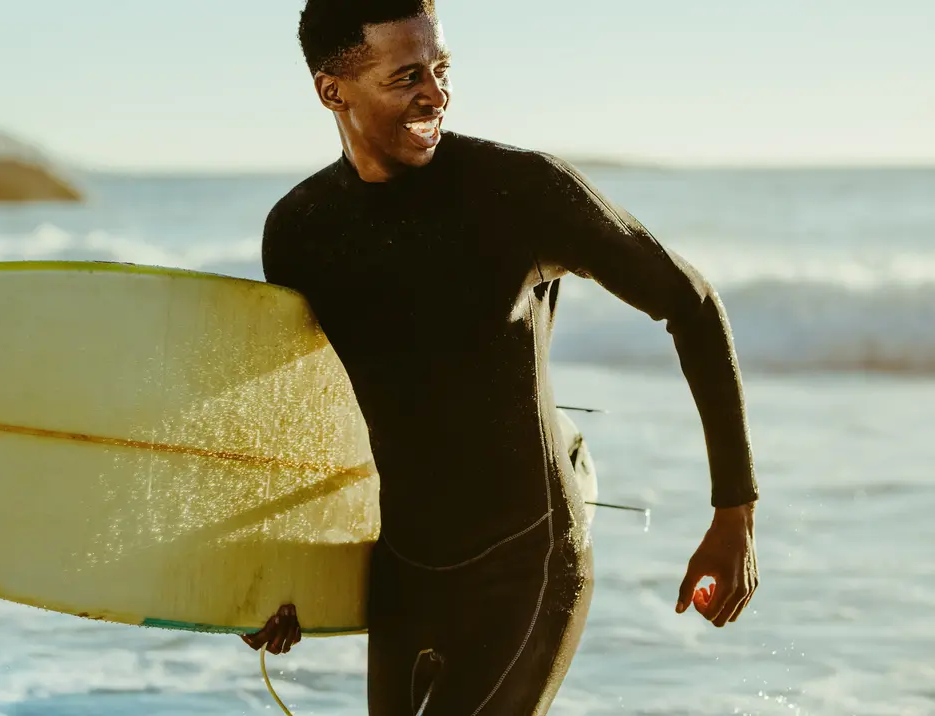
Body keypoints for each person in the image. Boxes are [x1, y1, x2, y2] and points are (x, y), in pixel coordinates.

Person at [241, 1, 761, 713]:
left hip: (530, 557)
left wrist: (734, 513)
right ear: (333, 90)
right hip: (406, 568)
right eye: (406, 76)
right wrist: (282, 574)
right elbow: (312, 414)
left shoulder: (518, 192)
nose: (437, 93)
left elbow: (691, 303)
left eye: (442, 68)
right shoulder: (300, 230)